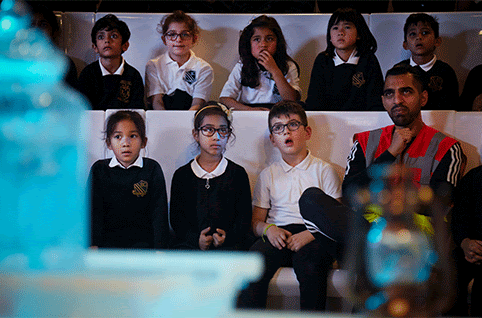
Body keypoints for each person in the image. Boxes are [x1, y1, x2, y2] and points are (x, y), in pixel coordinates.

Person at [299, 65, 464, 251]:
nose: (397, 100)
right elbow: (349, 193)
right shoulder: (364, 141)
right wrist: (390, 153)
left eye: (406, 92)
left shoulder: (448, 147)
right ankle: (378, 250)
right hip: (367, 230)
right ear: (383, 101)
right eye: (389, 94)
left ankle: (378, 251)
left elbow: (439, 204)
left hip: (415, 239)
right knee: (310, 198)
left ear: (423, 98)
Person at [236, 101, 342, 311]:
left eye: (293, 124)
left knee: (311, 267)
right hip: (279, 234)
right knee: (252, 265)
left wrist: (311, 233)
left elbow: (336, 219)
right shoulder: (268, 174)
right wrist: (269, 229)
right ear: (273, 140)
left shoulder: (324, 170)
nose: (286, 131)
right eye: (278, 127)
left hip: (314, 234)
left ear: (307, 132)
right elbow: (256, 221)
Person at [169, 102, 252, 250]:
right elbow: (177, 220)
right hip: (189, 247)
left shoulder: (237, 174)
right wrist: (196, 240)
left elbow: (244, 219)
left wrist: (228, 238)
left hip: (229, 247)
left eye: (222, 130)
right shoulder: (182, 175)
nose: (216, 136)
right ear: (196, 134)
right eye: (208, 130)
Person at [89, 110, 168, 249]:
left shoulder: (152, 168)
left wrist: (160, 249)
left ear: (143, 142)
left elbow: (159, 213)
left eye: (133, 136)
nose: (126, 143)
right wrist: (93, 244)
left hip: (144, 246)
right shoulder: (99, 169)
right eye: (118, 137)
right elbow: (94, 212)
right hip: (106, 246)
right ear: (108, 143)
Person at [305, 7, 384, 111]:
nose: (340, 32)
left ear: (359, 34)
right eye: (335, 28)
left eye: (347, 27)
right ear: (329, 36)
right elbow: (314, 101)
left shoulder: (368, 59)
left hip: (363, 121)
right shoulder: (323, 60)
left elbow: (375, 101)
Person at [219, 15, 301, 111]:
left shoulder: (289, 66)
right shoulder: (242, 66)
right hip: (249, 111)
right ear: (249, 44)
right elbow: (224, 99)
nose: (263, 45)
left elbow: (291, 100)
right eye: (257, 39)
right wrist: (251, 111)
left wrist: (275, 71)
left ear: (278, 42)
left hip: (279, 113)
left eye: (269, 39)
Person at [145, 11, 213, 111]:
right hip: (161, 116)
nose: (178, 39)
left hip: (190, 117)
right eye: (172, 34)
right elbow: (157, 102)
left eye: (185, 34)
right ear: (164, 39)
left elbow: (197, 104)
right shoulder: (153, 65)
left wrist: (184, 123)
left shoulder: (204, 68)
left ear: (194, 39)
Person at [394, 13, 459, 111]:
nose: (418, 37)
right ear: (405, 45)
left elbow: (453, 107)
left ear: (437, 41)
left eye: (425, 33)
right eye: (412, 34)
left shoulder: (446, 71)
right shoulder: (398, 70)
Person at [78, 14, 144, 110]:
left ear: (125, 45)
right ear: (95, 47)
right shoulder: (87, 74)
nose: (107, 40)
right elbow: (83, 111)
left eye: (114, 36)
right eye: (101, 37)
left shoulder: (133, 76)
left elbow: (136, 112)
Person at [449, 165, 482, 317]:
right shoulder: (475, 176)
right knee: (450, 271)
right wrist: (465, 242)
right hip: (471, 248)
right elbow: (459, 216)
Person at [28, 3, 79, 91]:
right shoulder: (13, 63)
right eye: (31, 25)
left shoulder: (65, 64)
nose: (36, 30)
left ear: (54, 32)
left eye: (43, 25)